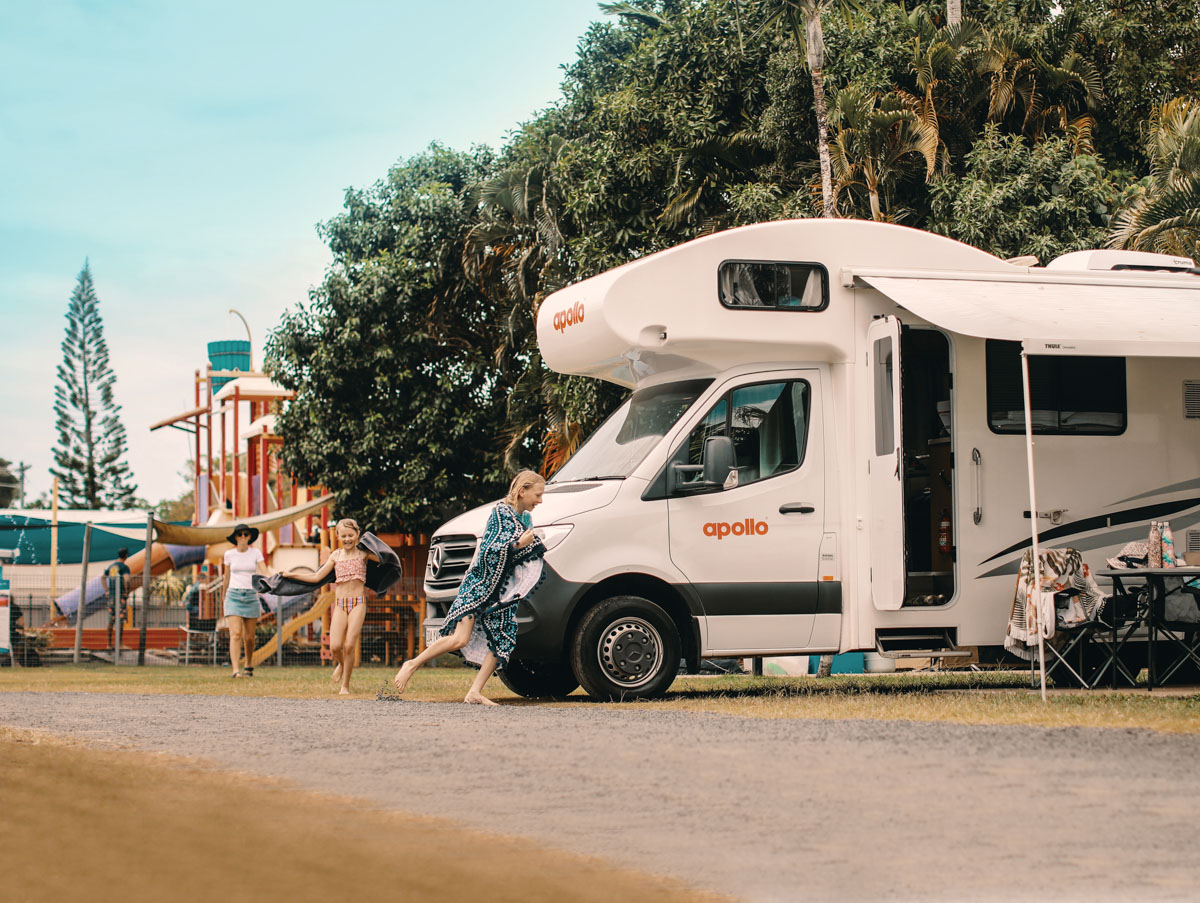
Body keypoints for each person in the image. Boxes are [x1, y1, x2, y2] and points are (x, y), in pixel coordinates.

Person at [393, 470, 547, 705]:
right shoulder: (500, 513)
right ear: (522, 490)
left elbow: (527, 552)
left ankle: (474, 692)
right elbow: (490, 551)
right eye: (537, 494)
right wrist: (518, 544)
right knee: (460, 639)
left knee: (502, 638)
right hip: (480, 585)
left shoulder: (524, 519)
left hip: (502, 591)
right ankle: (412, 664)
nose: (540, 500)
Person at [276, 518, 382, 694]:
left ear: (357, 535)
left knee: (349, 645)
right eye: (344, 536)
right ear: (338, 536)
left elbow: (382, 557)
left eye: (351, 535)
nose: (347, 539)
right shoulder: (335, 556)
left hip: (358, 603)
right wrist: (291, 574)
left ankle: (345, 685)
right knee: (334, 646)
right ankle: (341, 663)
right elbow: (316, 577)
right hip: (340, 604)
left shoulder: (363, 554)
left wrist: (368, 544)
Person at [222, 524, 274, 678]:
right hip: (233, 595)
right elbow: (226, 577)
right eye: (239, 534)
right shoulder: (229, 554)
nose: (243, 537)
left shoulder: (255, 553)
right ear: (235, 538)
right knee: (235, 633)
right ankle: (235, 670)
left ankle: (248, 664)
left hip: (251, 595)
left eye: (246, 534)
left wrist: (271, 581)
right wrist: (224, 596)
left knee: (249, 637)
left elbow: (263, 570)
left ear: (250, 537)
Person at [105, 548, 131, 649]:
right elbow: (127, 580)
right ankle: (119, 644)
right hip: (120, 597)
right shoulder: (124, 567)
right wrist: (127, 591)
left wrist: (107, 589)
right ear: (126, 556)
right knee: (120, 620)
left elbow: (103, 577)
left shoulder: (112, 566)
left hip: (111, 596)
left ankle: (109, 643)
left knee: (111, 620)